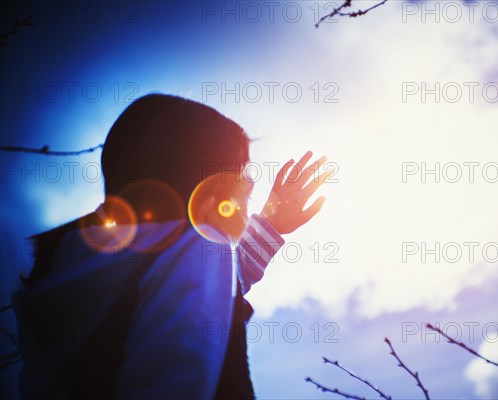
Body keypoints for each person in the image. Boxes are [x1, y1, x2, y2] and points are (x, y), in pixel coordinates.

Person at [11, 93, 330, 399]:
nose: (247, 201)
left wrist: (269, 225)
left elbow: (193, 283)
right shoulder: (200, 248)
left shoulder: (75, 267)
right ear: (207, 195)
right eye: (243, 186)